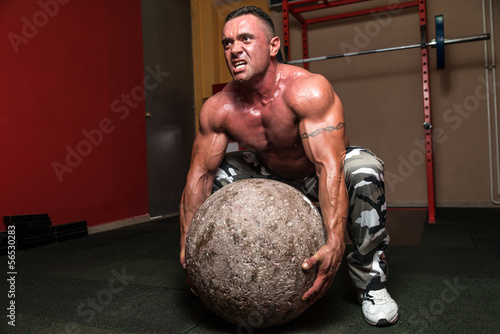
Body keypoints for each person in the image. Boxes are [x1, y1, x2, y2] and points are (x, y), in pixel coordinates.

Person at [179, 6, 398, 327]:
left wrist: (335, 243)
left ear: (273, 46)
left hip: (314, 176)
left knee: (364, 166)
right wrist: (188, 250)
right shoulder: (220, 108)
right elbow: (199, 176)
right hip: (270, 178)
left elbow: (329, 167)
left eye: (245, 39)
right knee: (221, 169)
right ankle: (232, 269)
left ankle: (371, 281)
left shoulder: (307, 91)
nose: (234, 49)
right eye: (227, 43)